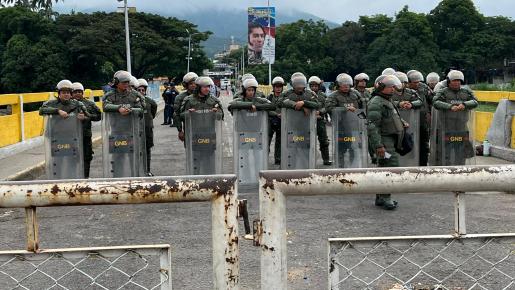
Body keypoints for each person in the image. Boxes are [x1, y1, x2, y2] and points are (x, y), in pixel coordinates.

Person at [367, 75, 408, 210]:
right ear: (380, 87)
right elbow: (372, 126)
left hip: (390, 140)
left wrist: (402, 123)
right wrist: (379, 146)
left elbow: (391, 117)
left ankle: (381, 197)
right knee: (390, 166)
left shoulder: (386, 100)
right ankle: (386, 197)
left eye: (393, 86)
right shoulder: (376, 103)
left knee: (384, 167)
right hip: (384, 142)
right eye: (390, 87)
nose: (393, 89)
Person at [432, 70, 478, 165]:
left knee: (461, 151)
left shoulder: (466, 91)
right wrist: (449, 106)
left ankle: (460, 169)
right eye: (454, 80)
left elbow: (475, 101)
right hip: (446, 127)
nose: (457, 82)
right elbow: (435, 102)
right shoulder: (443, 92)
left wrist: (465, 104)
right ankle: (446, 169)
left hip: (462, 127)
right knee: (445, 151)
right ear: (449, 81)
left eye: (459, 80)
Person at [71, 82, 101, 178]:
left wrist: (87, 117)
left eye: (79, 92)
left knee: (87, 157)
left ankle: (85, 178)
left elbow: (99, 116)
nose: (77, 94)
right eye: (75, 92)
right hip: (71, 136)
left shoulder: (90, 104)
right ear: (72, 93)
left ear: (83, 93)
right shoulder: (68, 104)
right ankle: (73, 177)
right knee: (72, 157)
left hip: (85, 135)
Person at [407, 70, 431, 166]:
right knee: (409, 143)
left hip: (422, 121)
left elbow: (431, 99)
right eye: (415, 82)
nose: (418, 84)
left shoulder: (424, 87)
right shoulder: (404, 90)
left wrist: (430, 112)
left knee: (424, 144)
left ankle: (423, 165)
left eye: (418, 82)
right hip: (408, 121)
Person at [308, 76, 332, 165]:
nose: (314, 87)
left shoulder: (323, 96)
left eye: (315, 85)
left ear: (319, 86)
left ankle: (326, 159)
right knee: (307, 140)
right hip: (308, 120)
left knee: (324, 141)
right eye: (312, 85)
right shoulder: (307, 94)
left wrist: (320, 112)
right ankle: (307, 159)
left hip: (320, 121)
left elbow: (327, 107)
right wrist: (312, 114)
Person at [137, 78, 158, 175]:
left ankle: (147, 170)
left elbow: (153, 113)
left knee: (147, 150)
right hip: (135, 130)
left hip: (147, 129)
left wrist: (148, 121)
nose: (141, 91)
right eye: (139, 90)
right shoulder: (133, 102)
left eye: (143, 90)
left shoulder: (150, 101)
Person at [173, 72, 198, 142]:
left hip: (203, 127)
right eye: (191, 84)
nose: (193, 85)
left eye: (195, 83)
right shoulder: (180, 97)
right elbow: (176, 115)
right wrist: (180, 131)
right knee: (190, 150)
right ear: (186, 85)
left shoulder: (203, 95)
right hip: (188, 128)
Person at [267, 76, 285, 165]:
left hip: (281, 121)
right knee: (267, 140)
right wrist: (276, 114)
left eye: (280, 87)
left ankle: (278, 159)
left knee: (279, 141)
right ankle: (264, 157)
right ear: (273, 87)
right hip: (270, 121)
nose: (278, 89)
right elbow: (266, 110)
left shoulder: (285, 98)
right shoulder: (269, 98)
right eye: (276, 87)